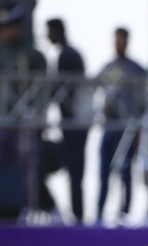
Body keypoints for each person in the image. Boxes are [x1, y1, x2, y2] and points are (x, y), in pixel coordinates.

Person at [0, 3, 47, 218]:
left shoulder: (33, 55)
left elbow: (43, 90)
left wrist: (38, 115)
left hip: (24, 122)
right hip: (3, 121)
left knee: (27, 164)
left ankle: (29, 208)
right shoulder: (2, 52)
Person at [96, 27, 146, 221]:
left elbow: (145, 102)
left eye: (122, 40)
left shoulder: (137, 70)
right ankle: (99, 214)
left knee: (125, 173)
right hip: (108, 127)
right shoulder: (107, 67)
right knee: (103, 173)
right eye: (116, 39)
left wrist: (139, 131)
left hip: (127, 130)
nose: (119, 43)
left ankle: (124, 214)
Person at [46, 18, 85, 223]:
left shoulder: (67, 55)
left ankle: (77, 217)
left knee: (75, 171)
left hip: (74, 124)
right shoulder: (70, 53)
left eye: (49, 31)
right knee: (75, 172)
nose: (47, 36)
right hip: (74, 123)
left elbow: (61, 91)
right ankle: (77, 215)